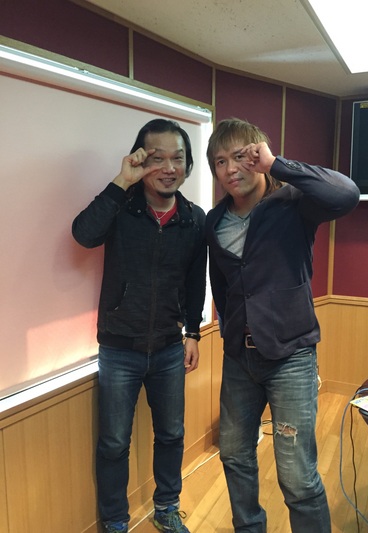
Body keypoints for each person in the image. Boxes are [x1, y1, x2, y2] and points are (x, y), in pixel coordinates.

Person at [205, 118, 360, 533]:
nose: (230, 169)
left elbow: (347, 194)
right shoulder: (214, 221)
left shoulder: (293, 203)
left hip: (291, 357)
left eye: (240, 156)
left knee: (297, 477)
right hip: (239, 360)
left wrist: (277, 165)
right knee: (234, 455)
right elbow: (222, 286)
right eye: (220, 161)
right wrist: (230, 332)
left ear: (258, 155)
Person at [72, 119, 206, 533]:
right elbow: (83, 234)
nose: (169, 168)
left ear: (188, 165)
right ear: (140, 161)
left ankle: (167, 507)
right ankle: (115, 521)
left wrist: (193, 332)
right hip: (119, 348)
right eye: (157, 158)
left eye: (177, 158)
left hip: (168, 347)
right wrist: (120, 182)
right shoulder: (122, 208)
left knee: (172, 434)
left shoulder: (193, 218)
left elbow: (194, 280)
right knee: (114, 442)